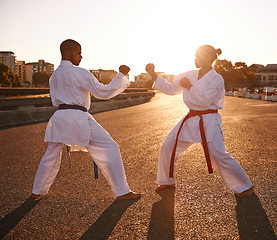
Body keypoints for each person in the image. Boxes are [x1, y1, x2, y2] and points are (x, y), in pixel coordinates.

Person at [31, 39, 141, 200]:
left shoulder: (53, 76)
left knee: (51, 155)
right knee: (110, 147)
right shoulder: (80, 72)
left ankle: (37, 190)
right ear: (68, 53)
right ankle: (122, 191)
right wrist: (121, 75)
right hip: (77, 116)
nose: (81, 57)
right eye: (79, 53)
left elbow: (66, 94)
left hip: (60, 117)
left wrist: (82, 94)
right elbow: (103, 92)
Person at [145, 45, 254, 197]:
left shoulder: (216, 78)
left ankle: (244, 187)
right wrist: (154, 75)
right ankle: (167, 181)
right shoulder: (189, 74)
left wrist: (189, 87)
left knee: (217, 155)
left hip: (209, 120)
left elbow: (204, 100)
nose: (194, 59)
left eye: (198, 56)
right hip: (190, 119)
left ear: (208, 58)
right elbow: (171, 89)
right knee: (168, 146)